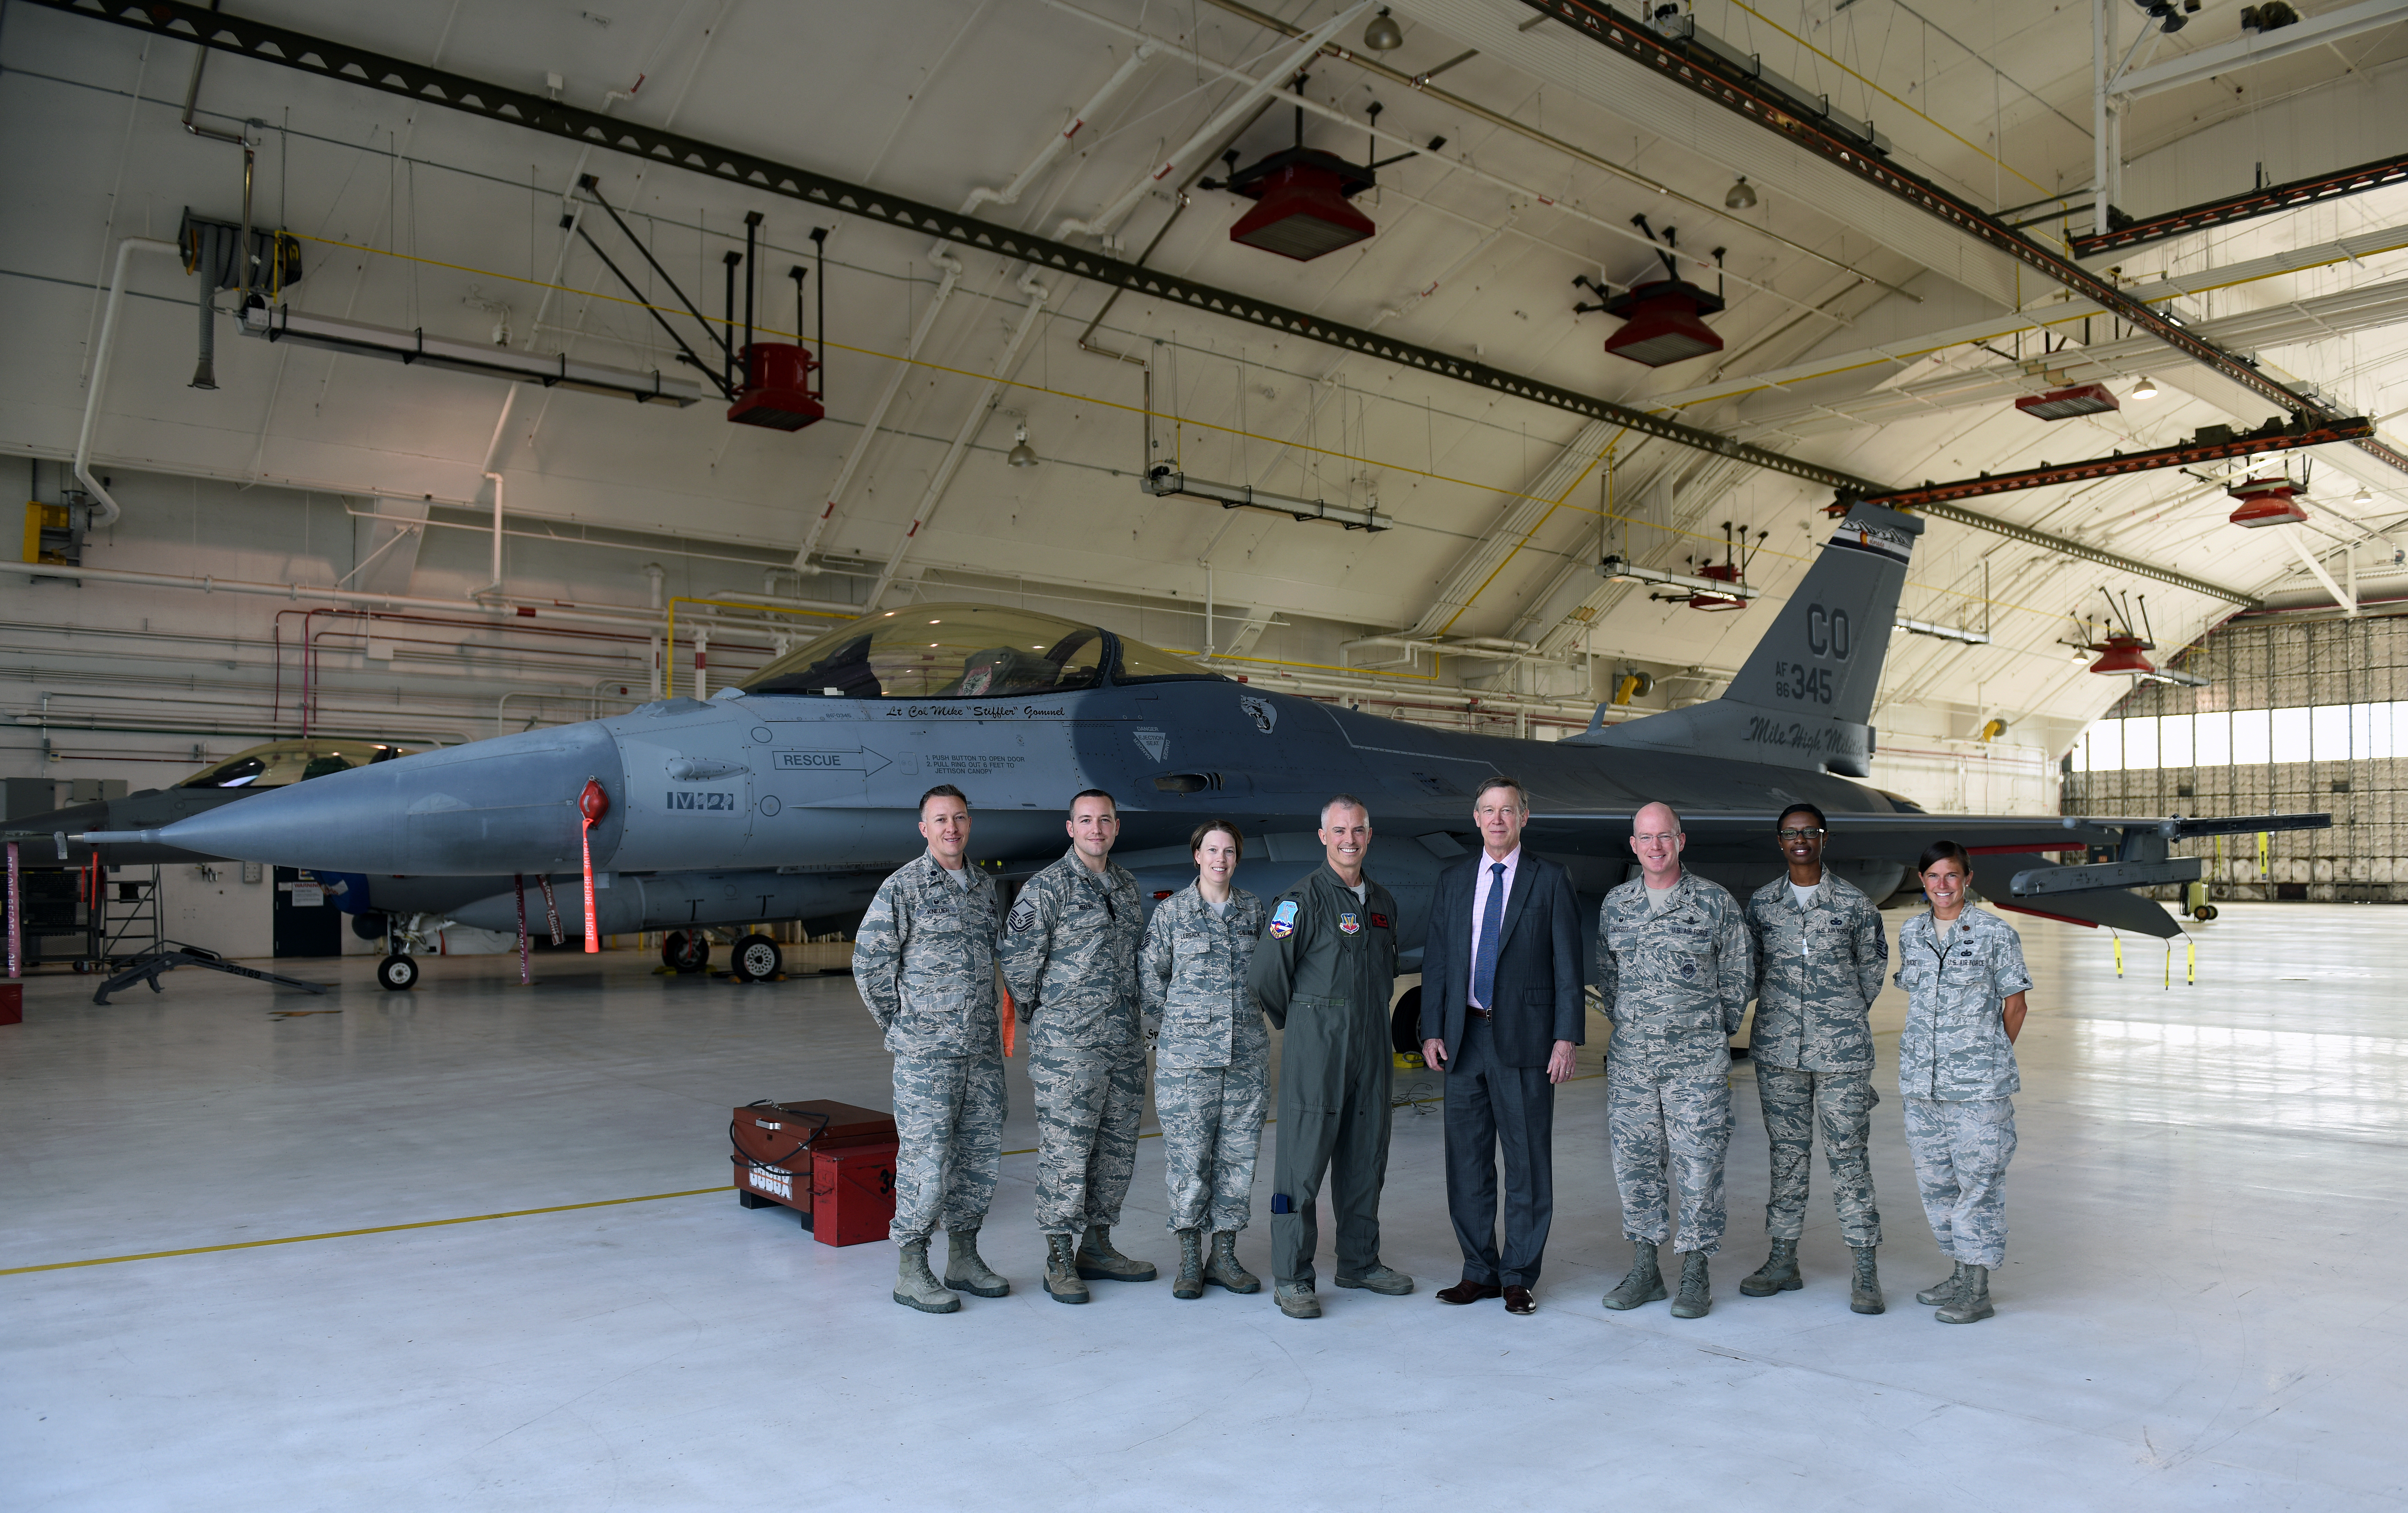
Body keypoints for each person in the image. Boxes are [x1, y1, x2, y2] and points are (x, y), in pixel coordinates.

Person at [1418, 776, 1583, 1316]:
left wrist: (1565, 1037)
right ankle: (1479, 1271)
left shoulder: (1550, 880)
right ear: (1475, 818)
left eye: (1507, 811)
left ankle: (1518, 1275)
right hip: (1464, 1038)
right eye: (1488, 810)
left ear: (1523, 819)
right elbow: (1439, 963)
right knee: (1466, 1163)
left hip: (1527, 1041)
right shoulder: (1453, 880)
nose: (1497, 819)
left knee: (1527, 1164)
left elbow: (1567, 965)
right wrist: (1430, 1028)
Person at [1246, 794, 1414, 1319]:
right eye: (1339, 831)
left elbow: (1384, 973)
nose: (1349, 840)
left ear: (1369, 835)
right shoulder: (1299, 901)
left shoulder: (1382, 902)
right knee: (1300, 1166)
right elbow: (1266, 978)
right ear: (1323, 837)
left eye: (1358, 830)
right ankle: (1292, 1276)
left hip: (1370, 1047)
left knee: (1366, 1159)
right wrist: (1306, 1024)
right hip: (1317, 1050)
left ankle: (1359, 1262)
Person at [852, 784, 1010, 1315]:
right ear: (924, 828)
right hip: (927, 1057)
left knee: (979, 1157)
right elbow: (870, 962)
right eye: (940, 819)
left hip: (981, 1054)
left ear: (969, 824)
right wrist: (901, 1026)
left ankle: (963, 1257)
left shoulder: (986, 887)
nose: (951, 828)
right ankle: (911, 1269)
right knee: (926, 1159)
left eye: (959, 818)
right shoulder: (904, 888)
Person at [1594, 801, 1752, 1320]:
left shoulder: (1713, 903)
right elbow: (1608, 973)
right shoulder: (1616, 905)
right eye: (1645, 838)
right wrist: (1639, 1027)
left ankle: (1695, 1270)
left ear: (1680, 841)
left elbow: (1737, 978)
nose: (1655, 847)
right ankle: (1646, 1268)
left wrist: (1707, 1031)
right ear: (1633, 845)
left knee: (1700, 1166)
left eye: (1664, 837)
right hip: (1632, 1064)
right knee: (1635, 1166)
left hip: (1695, 1065)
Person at [999, 789, 1152, 1304]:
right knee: (1067, 1154)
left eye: (1104, 820)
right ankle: (1059, 1257)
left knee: (1114, 1152)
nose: (1095, 829)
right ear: (1070, 828)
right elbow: (1018, 966)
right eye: (1085, 821)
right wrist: (1052, 1019)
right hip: (1069, 1049)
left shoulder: (1127, 885)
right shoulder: (1046, 888)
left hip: (1124, 1046)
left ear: (1115, 827)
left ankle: (1099, 1245)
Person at [1739, 803, 1892, 1313]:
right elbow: (1751, 971)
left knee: (1849, 1159)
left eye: (1809, 832)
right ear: (1779, 842)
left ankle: (1865, 1272)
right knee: (1786, 1156)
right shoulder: (1761, 906)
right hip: (1779, 1050)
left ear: (1824, 838)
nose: (1800, 840)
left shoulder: (1853, 904)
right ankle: (1783, 1260)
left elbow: (1870, 972)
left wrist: (1838, 1018)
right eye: (1790, 833)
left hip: (1842, 1055)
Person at [1894, 840, 2031, 1325]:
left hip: (1977, 1088)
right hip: (1922, 1085)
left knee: (1979, 1183)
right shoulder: (1911, 933)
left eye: (1951, 876)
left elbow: (2014, 1005)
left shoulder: (1995, 933)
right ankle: (1959, 1271)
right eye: (1932, 877)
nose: (1942, 886)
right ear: (1922, 881)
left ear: (1967, 879)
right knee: (1937, 1185)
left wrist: (1986, 1057)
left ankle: (1977, 1288)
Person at [1137, 820, 1270, 1300]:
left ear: (1237, 857)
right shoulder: (1172, 913)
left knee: (1238, 1159)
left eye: (1229, 851)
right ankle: (1191, 1259)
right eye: (1211, 850)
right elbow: (1151, 981)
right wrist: (1170, 1042)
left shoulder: (1253, 910)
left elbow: (1267, 974)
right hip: (1187, 1066)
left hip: (1245, 1061)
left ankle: (1225, 1256)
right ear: (1196, 855)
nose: (1220, 859)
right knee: (1189, 1161)